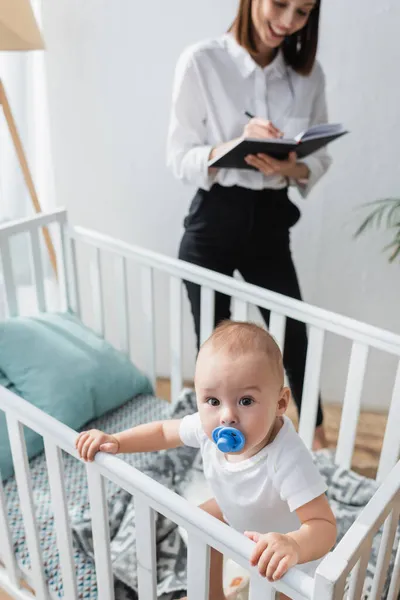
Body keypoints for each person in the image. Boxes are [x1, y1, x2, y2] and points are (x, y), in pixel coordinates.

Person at [166, 0, 332, 450]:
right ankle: (226, 451)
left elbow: (317, 161)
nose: (288, 22)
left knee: (294, 337)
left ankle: (321, 449)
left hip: (271, 226)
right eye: (280, 5)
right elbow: (179, 157)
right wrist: (236, 146)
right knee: (218, 358)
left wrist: (288, 168)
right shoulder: (203, 61)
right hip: (213, 224)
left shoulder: (307, 74)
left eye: (302, 12)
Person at [76, 321, 337, 600]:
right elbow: (164, 431)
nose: (226, 416)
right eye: (213, 401)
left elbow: (324, 526)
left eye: (246, 401)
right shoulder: (208, 428)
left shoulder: (287, 457)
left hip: (287, 554)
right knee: (200, 520)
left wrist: (293, 545)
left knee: (277, 590)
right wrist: (117, 441)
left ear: (281, 403)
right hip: (239, 516)